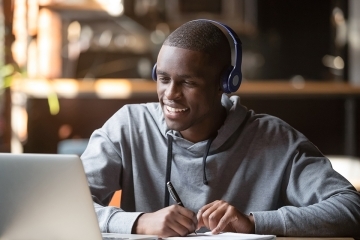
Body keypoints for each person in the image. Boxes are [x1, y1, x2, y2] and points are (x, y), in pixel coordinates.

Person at [81, 19, 360, 239]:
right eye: (163, 79)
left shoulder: (275, 139)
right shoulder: (128, 127)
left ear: (225, 84)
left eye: (188, 83)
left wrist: (254, 223)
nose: (170, 94)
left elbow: (350, 209)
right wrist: (140, 222)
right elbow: (63, 207)